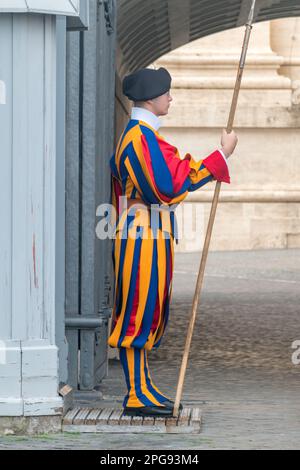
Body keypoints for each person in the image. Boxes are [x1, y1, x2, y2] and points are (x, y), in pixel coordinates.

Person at [107, 67, 238, 417]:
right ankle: (136, 394)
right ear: (151, 98)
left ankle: (144, 388)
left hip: (151, 229)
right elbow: (168, 185)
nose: (171, 98)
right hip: (142, 232)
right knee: (138, 308)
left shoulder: (144, 137)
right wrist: (220, 157)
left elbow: (168, 177)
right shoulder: (140, 138)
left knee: (149, 309)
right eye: (166, 92)